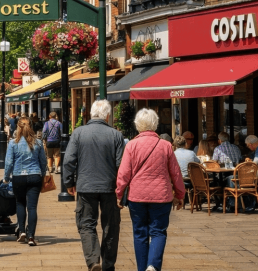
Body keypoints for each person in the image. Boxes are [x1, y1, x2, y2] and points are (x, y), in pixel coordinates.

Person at [116, 109, 185, 271]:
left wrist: (119, 194)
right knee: (158, 232)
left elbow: (124, 173)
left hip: (137, 196)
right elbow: (175, 173)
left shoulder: (131, 145)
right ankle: (153, 265)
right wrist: (180, 194)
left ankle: (142, 268)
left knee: (140, 234)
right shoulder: (166, 145)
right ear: (155, 124)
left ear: (137, 125)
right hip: (161, 196)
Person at [64, 100, 125, 271]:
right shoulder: (116, 135)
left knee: (86, 224)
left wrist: (69, 182)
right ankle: (108, 265)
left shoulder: (78, 133)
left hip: (85, 186)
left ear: (90, 114)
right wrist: (121, 190)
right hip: (109, 187)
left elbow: (69, 160)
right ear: (107, 115)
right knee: (111, 226)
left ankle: (93, 260)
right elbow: (122, 166)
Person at [3, 118, 47, 246]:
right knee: (32, 207)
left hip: (18, 177)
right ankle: (31, 237)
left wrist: (6, 177)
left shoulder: (13, 143)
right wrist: (42, 175)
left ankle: (22, 231)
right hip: (35, 176)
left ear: (18, 127)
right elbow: (43, 162)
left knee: (20, 203)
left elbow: (9, 162)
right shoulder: (38, 143)